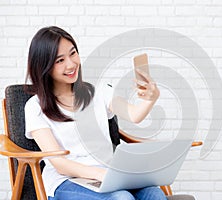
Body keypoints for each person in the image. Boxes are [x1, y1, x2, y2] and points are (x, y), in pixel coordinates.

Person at [24, 26, 165, 200]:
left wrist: (150, 99)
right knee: (121, 198)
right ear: (44, 66)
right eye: (59, 60)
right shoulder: (35, 107)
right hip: (66, 181)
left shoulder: (99, 92)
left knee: (155, 194)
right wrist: (99, 174)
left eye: (73, 53)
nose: (71, 64)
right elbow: (59, 164)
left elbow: (134, 115)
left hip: (109, 175)